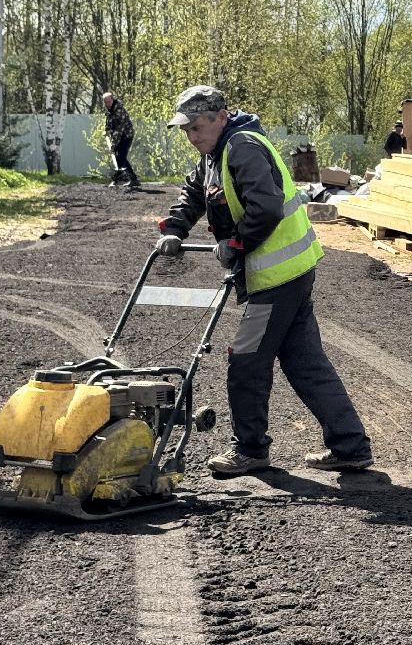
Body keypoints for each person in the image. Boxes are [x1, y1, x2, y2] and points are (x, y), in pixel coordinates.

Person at [153, 84, 373, 477]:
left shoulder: (242, 147)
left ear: (219, 117)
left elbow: (266, 207)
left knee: (246, 361)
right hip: (289, 272)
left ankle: (250, 449)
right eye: (185, 131)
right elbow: (195, 193)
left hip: (277, 276)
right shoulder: (215, 153)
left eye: (196, 127)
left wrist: (235, 244)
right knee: (306, 363)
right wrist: (174, 228)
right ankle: (350, 445)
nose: (191, 137)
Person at [102, 91, 140, 190]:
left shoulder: (119, 111)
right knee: (119, 157)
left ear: (112, 100)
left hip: (126, 135)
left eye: (109, 101)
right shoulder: (109, 110)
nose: (107, 104)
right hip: (118, 135)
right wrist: (107, 131)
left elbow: (119, 130)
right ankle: (130, 179)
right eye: (106, 102)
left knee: (121, 156)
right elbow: (109, 122)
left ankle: (121, 179)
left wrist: (113, 145)